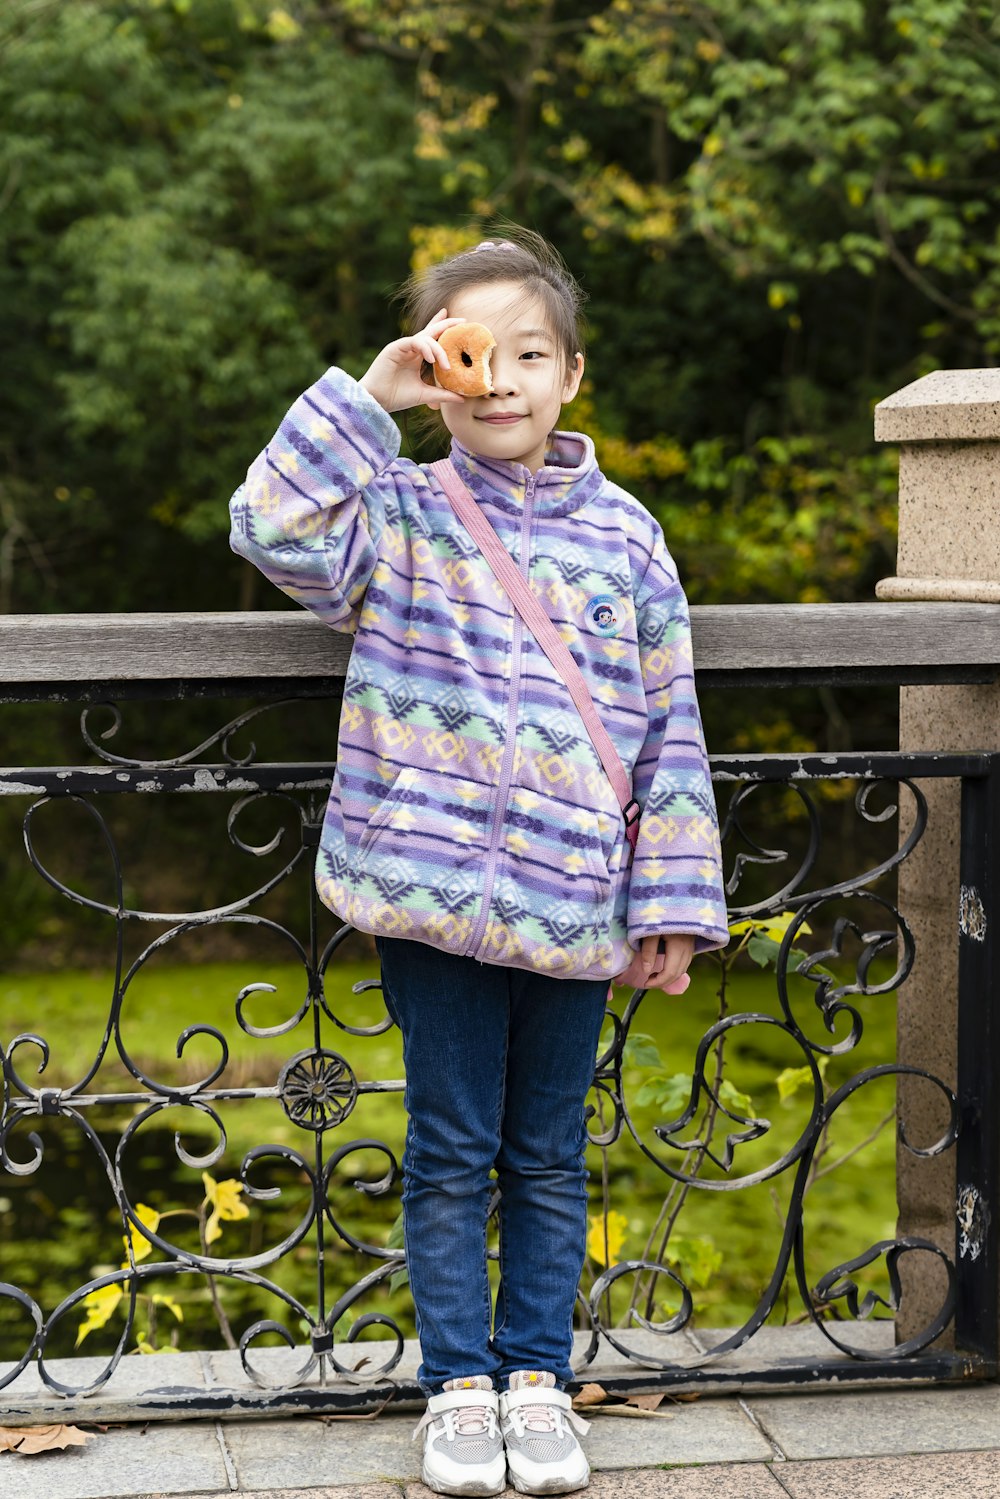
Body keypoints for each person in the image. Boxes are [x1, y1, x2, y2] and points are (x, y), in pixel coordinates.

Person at [229, 227, 728, 1497]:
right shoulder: (393, 513)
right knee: (451, 1146)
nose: (499, 379)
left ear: (573, 372)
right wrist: (364, 399)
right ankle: (458, 1384)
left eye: (529, 353)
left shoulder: (626, 537)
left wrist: (669, 899)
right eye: (469, 353)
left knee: (548, 1153)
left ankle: (535, 1378)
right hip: (431, 900)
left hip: (574, 899)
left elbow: (670, 730)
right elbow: (266, 525)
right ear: (436, 367)